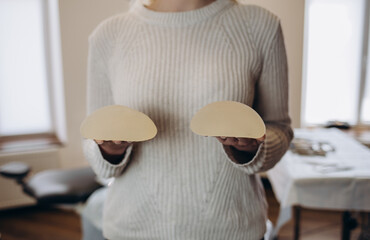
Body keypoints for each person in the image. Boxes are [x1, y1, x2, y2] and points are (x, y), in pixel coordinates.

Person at [82, 0, 293, 239]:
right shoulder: (108, 35)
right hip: (132, 228)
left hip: (231, 229)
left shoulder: (260, 26)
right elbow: (92, 141)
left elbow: (279, 129)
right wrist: (108, 150)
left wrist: (251, 149)